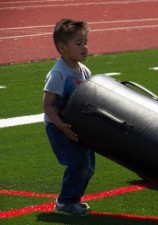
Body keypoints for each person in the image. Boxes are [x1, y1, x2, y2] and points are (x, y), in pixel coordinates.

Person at [43, 18, 95, 216]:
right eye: (78, 43)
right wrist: (60, 125)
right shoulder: (58, 74)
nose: (84, 47)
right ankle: (65, 203)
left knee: (88, 166)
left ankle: (73, 200)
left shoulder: (85, 72)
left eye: (85, 43)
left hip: (76, 126)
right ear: (62, 48)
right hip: (58, 127)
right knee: (78, 162)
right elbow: (48, 106)